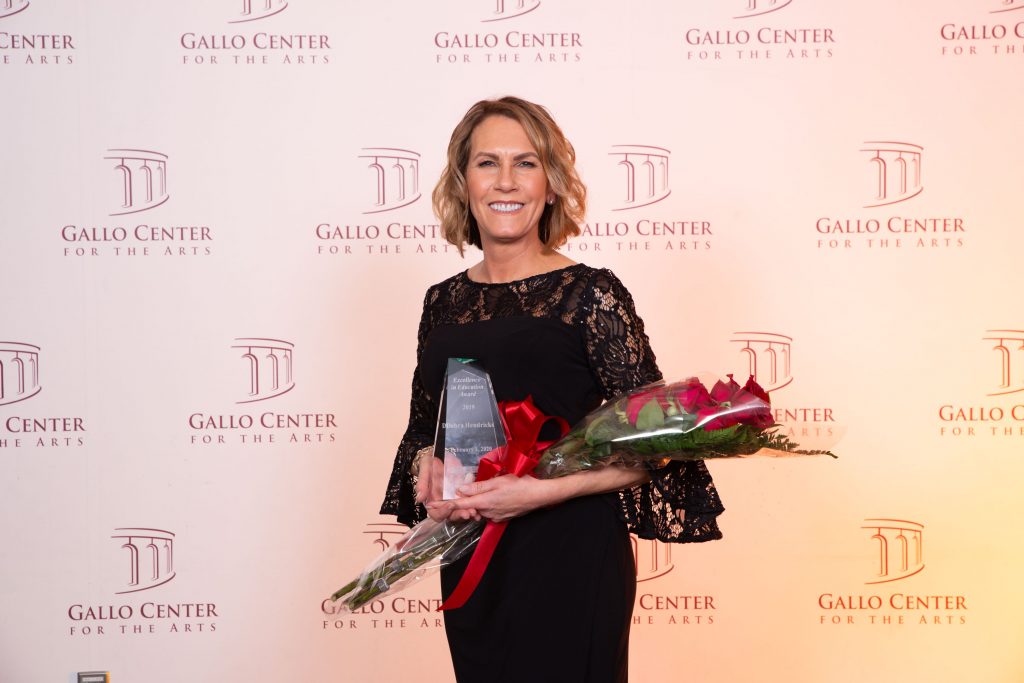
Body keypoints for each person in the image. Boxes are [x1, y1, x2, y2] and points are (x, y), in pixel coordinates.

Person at [380, 96, 724, 683]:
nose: (506, 181)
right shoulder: (441, 303)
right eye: (487, 163)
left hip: (572, 554)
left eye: (526, 163)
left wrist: (536, 493)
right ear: (463, 183)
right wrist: (426, 467)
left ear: (552, 185)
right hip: (472, 553)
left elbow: (656, 446)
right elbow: (422, 428)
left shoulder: (589, 295)